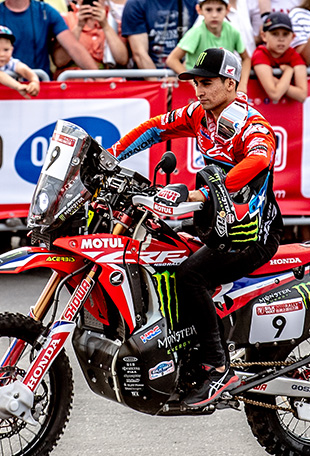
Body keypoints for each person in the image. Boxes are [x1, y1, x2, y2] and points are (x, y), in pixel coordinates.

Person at [108, 48, 281, 407]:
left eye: (207, 83)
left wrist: (204, 193)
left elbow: (260, 157)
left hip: (252, 233)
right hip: (216, 226)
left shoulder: (251, 124)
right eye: (196, 83)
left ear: (231, 83)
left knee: (191, 275)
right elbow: (155, 128)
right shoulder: (199, 115)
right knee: (162, 257)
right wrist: (110, 158)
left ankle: (217, 368)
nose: (198, 90)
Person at [0, 0, 97, 72]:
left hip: (37, 90)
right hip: (0, 90)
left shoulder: (46, 12)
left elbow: (73, 47)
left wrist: (100, 79)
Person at [166, 0, 251, 91]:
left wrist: (242, 84)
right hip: (197, 89)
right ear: (199, 10)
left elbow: (246, 59)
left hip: (222, 87)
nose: (214, 15)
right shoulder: (196, 32)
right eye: (208, 9)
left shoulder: (233, 31)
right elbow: (172, 59)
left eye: (219, 9)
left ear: (227, 10)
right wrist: (193, 82)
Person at [53, 0, 129, 75]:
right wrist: (79, 26)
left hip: (105, 80)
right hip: (72, 80)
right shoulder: (65, 19)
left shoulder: (113, 20)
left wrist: (105, 26)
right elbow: (60, 61)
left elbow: (122, 60)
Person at [121, 0, 198, 70]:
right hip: (147, 79)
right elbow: (140, 54)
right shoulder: (135, 3)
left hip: (185, 75)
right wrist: (158, 83)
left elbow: (196, 49)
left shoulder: (192, 2)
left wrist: (180, 78)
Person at [251, 11, 308, 102]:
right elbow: (274, 94)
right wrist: (289, 71)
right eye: (275, 34)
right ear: (263, 36)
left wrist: (276, 81)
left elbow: (302, 95)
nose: (281, 39)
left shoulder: (293, 55)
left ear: (293, 37)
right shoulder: (260, 54)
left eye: (285, 34)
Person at [0, 25, 40, 96]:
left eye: (6, 50)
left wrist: (34, 81)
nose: (2, 54)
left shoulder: (12, 62)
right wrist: (18, 86)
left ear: (12, 50)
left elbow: (25, 70)